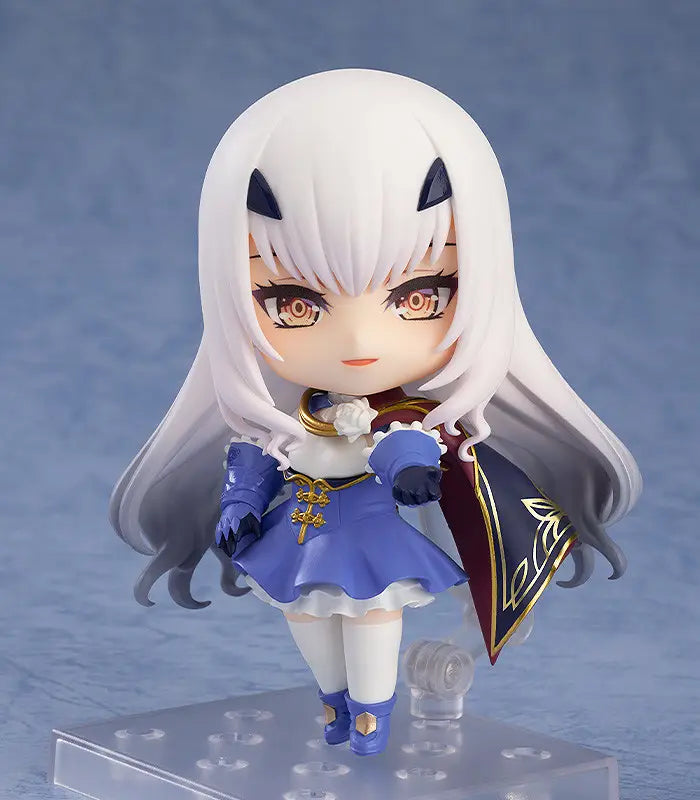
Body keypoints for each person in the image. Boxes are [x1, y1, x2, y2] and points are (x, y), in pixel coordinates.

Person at [109, 69, 642, 756]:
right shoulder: (290, 417)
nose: (360, 340)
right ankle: (334, 703)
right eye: (295, 303)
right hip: (296, 541)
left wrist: (412, 471)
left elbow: (401, 446)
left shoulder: (390, 421)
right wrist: (239, 503)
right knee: (307, 624)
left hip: (368, 541)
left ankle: (371, 714)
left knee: (370, 623)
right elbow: (254, 461)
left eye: (419, 295)